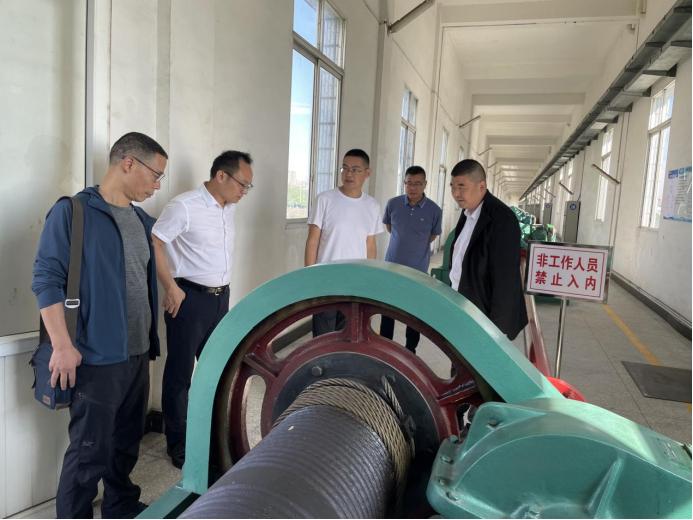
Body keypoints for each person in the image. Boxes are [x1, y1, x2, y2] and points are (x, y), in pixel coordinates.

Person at [32, 132, 167, 519]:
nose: (157, 185)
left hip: (137, 353)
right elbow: (46, 280)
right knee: (88, 453)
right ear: (129, 163)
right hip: (94, 357)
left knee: (125, 445)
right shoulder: (73, 212)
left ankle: (120, 507)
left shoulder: (141, 220)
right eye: (156, 175)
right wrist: (62, 345)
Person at [152, 151, 254, 469]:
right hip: (189, 299)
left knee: (215, 369)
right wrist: (170, 287)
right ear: (221, 175)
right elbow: (154, 242)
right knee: (180, 374)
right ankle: (179, 443)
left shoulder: (228, 209)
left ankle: (209, 435)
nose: (244, 191)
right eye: (242, 184)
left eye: (248, 186)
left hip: (220, 299)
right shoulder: (184, 206)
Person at [305, 149, 385, 336]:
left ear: (367, 173)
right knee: (323, 336)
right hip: (326, 279)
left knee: (347, 335)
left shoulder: (372, 205)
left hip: (355, 281)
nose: (349, 174)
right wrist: (309, 278)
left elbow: (370, 245)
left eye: (355, 170)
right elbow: (312, 241)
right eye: (345, 168)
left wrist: (369, 279)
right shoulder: (325, 199)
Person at [449, 159, 528, 340]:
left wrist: (497, 330)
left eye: (462, 187)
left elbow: (506, 279)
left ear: (481, 187)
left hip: (484, 314)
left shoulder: (502, 219)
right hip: (464, 303)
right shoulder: (467, 212)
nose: (456, 193)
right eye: (452, 187)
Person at [381, 166, 442, 353]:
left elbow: (433, 235)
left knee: (414, 312)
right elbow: (389, 227)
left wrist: (416, 244)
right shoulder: (393, 204)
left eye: (417, 184)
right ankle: (385, 346)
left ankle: (410, 349)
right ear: (404, 183)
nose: (412, 188)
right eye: (409, 183)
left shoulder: (434, 210)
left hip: (418, 270)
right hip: (392, 267)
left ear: (425, 184)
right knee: (388, 309)